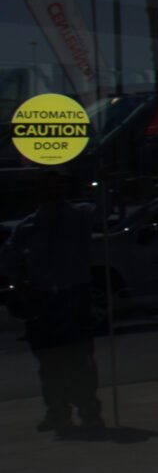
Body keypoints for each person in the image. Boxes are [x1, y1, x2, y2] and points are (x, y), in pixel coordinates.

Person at [4, 171, 103, 433]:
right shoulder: (28, 226)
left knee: (80, 359)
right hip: (44, 300)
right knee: (50, 362)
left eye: (56, 185)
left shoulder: (80, 215)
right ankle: (58, 412)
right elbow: (10, 264)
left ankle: (89, 412)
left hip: (74, 296)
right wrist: (21, 291)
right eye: (45, 186)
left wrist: (100, 180)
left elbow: (103, 213)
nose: (51, 191)